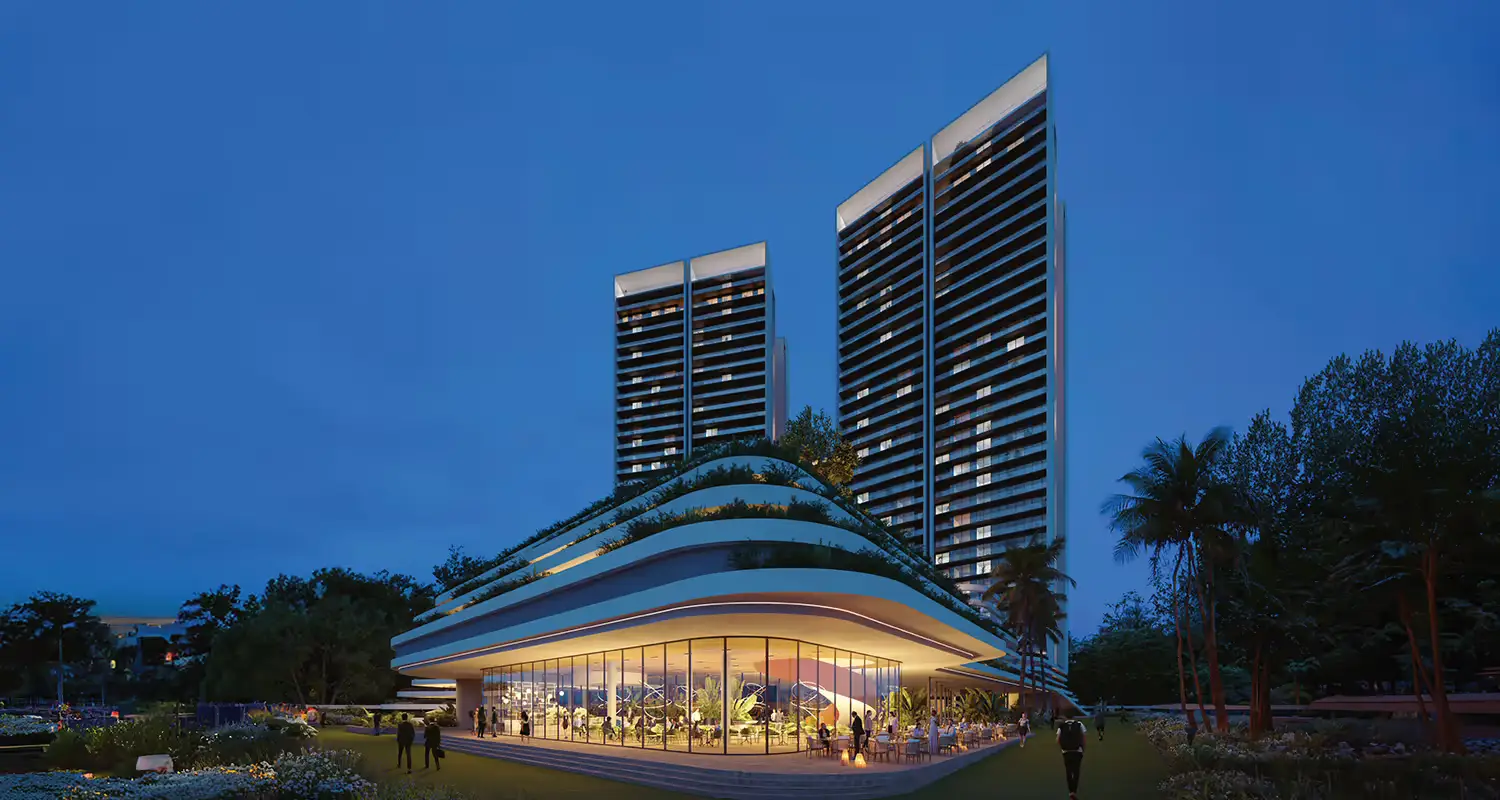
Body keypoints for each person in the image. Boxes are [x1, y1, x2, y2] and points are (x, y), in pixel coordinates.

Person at [1056, 712, 1087, 800]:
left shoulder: (1061, 726)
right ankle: (1074, 790)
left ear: (1065, 716)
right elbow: (1084, 738)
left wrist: (1062, 748)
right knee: (1076, 770)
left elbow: (1057, 739)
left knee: (1068, 771)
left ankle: (1071, 791)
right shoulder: (1079, 724)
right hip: (1077, 751)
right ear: (1074, 716)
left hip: (1066, 751)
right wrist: (1083, 748)